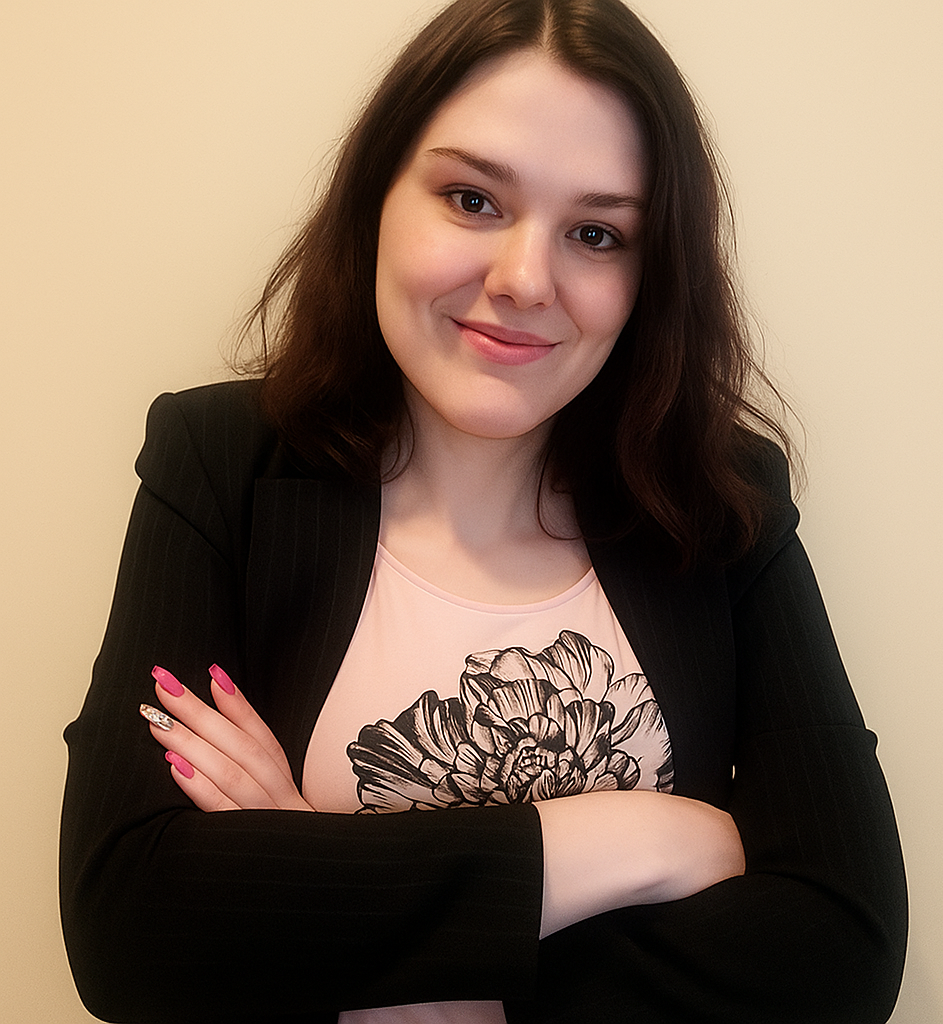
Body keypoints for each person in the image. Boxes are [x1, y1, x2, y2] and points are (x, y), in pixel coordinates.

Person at [59, 0, 907, 1021]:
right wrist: (642, 840)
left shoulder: (722, 501)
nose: (523, 280)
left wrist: (311, 872)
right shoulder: (222, 466)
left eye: (597, 233)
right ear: (379, 193)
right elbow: (132, 935)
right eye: (471, 199)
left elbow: (840, 959)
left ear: (649, 274)